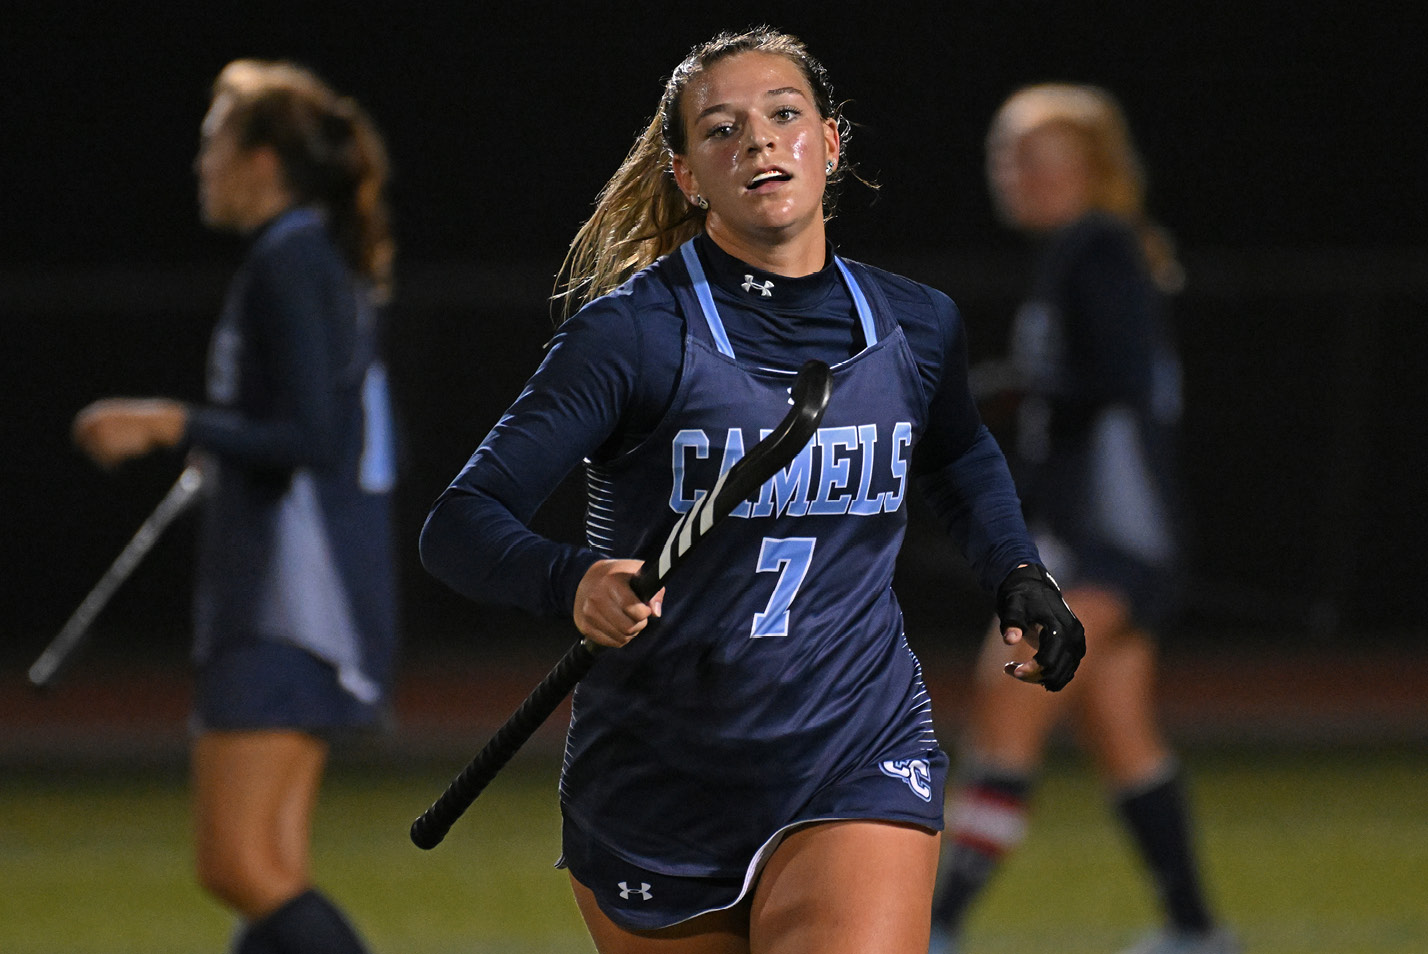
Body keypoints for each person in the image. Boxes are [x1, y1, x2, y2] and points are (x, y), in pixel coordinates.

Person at [419, 27, 1083, 954]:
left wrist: (1017, 569)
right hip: (658, 772)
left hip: (853, 746)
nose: (761, 142)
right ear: (688, 176)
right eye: (723, 129)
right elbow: (458, 522)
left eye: (784, 115)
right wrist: (570, 580)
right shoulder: (633, 336)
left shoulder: (916, 323)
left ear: (831, 143)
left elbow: (959, 452)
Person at [71, 60, 398, 954]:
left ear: (262, 161)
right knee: (265, 876)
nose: (199, 164)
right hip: (299, 598)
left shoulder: (290, 263)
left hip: (291, 604)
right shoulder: (306, 260)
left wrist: (169, 421)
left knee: (237, 866)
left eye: (214, 141)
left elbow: (315, 438)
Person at [928, 84, 1238, 954]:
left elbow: (1113, 380)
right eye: (1003, 156)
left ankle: (936, 928)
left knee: (1008, 690)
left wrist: (995, 395)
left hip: (1114, 543)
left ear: (1089, 171)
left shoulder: (1095, 247)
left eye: (1032, 157)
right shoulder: (1090, 251)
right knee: (1121, 735)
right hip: (1111, 539)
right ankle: (1195, 930)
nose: (1011, 174)